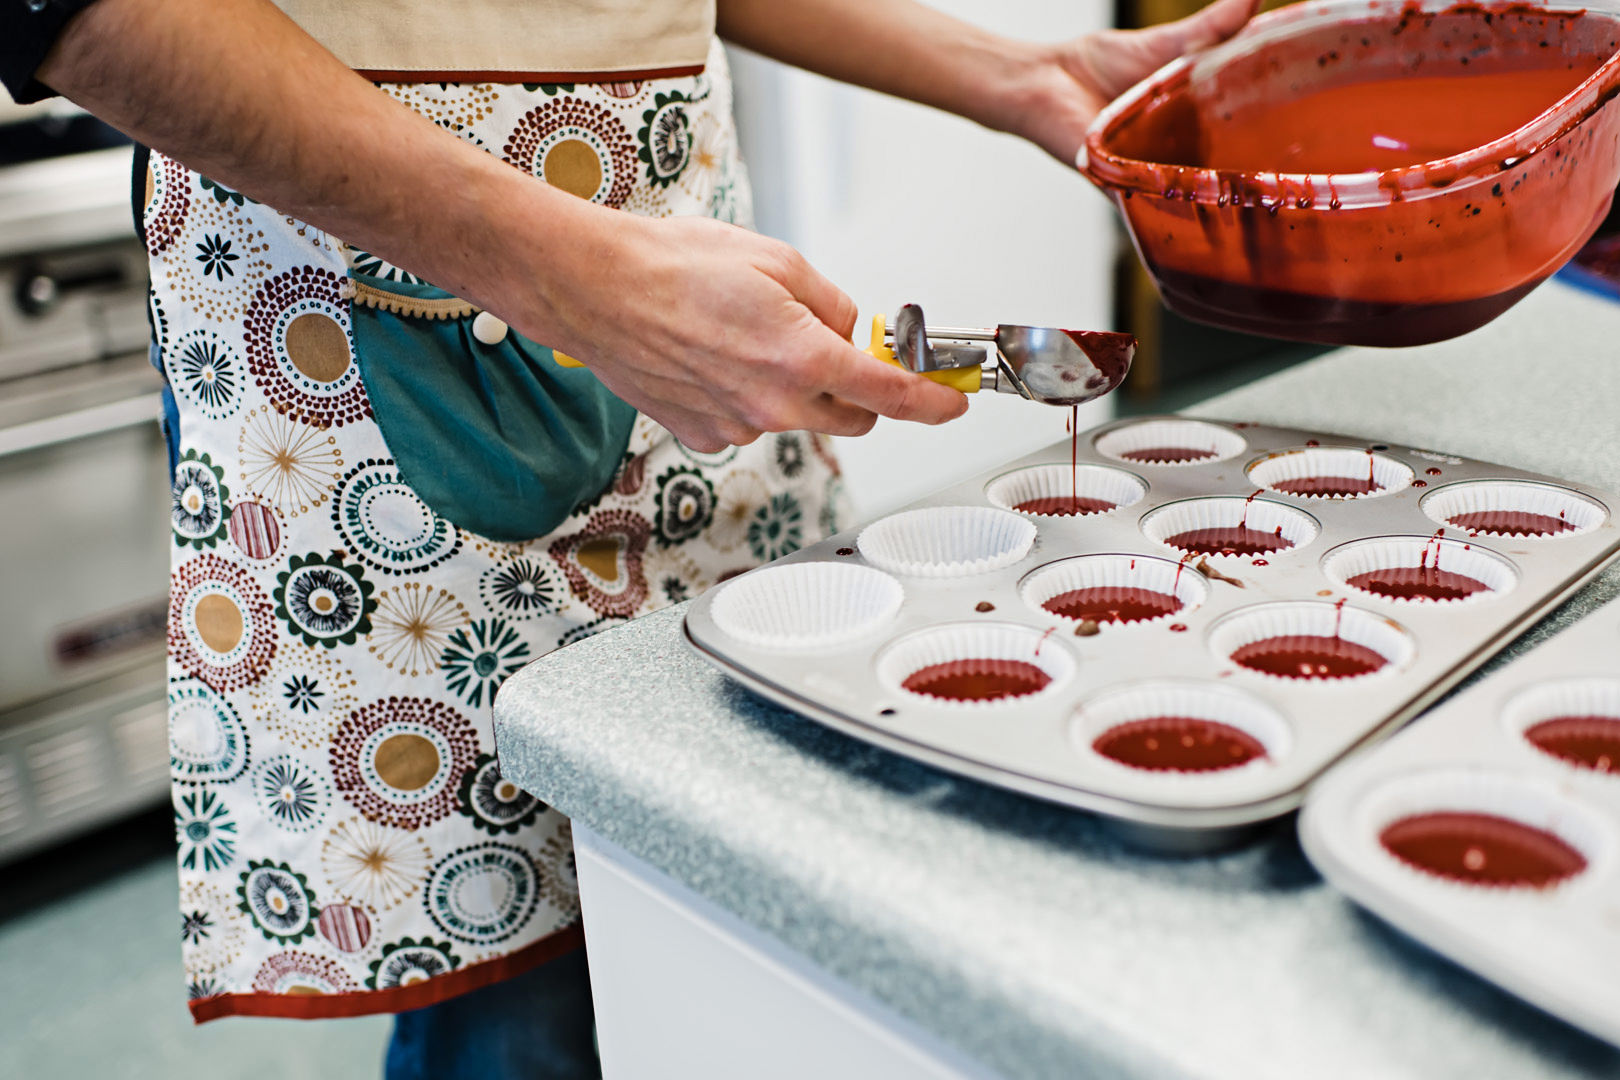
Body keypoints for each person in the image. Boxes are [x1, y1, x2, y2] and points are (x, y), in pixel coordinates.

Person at [3, 0, 1257, 1075]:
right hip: (397, 330)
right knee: (525, 986)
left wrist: (1014, 77)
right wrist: (560, 274)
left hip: (679, 253)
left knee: (725, 893)